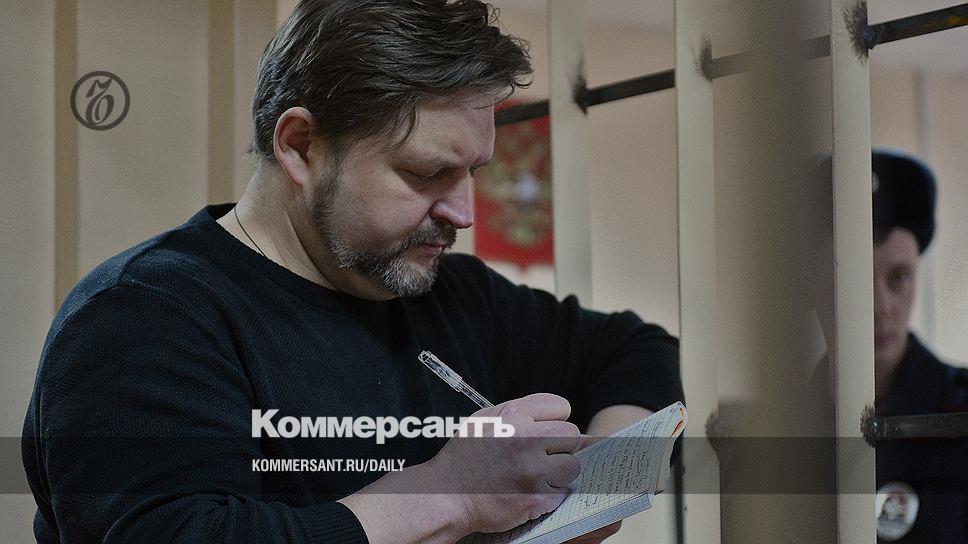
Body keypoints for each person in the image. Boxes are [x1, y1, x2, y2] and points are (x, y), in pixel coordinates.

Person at [21, 1, 683, 543]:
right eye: (426, 173)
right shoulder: (141, 315)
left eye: (472, 173)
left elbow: (635, 349)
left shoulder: (452, 295)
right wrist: (449, 494)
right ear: (301, 146)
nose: (463, 213)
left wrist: (593, 488)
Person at [870, 149, 968, 543]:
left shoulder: (959, 413)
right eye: (856, 280)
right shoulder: (787, 418)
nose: (880, 307)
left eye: (898, 277)